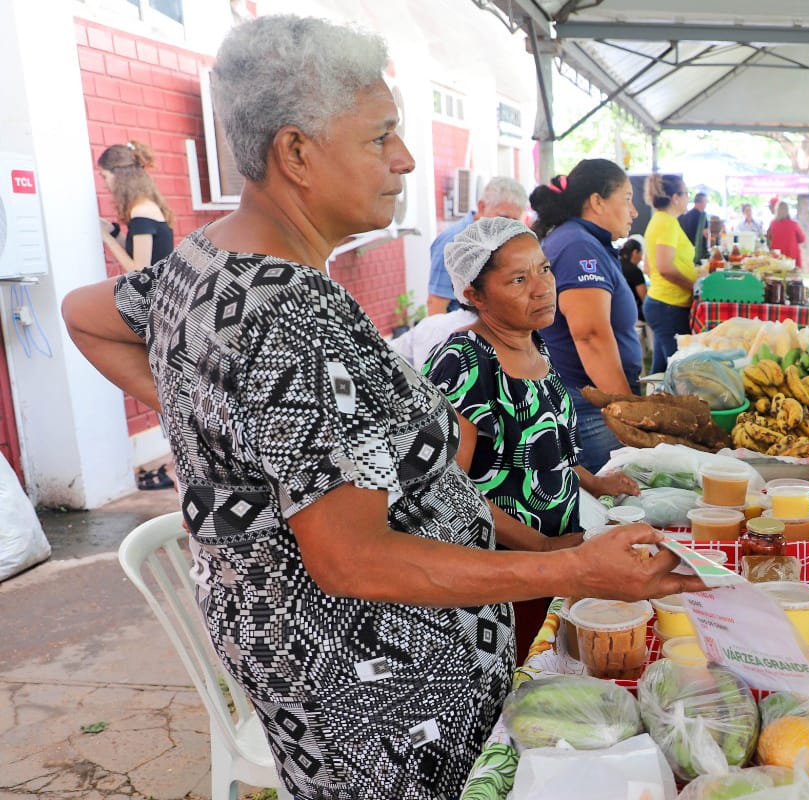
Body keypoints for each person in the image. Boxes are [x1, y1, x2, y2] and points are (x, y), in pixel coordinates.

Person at [59, 16, 702, 799]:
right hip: (381, 701)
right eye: (379, 138)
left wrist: (234, 425)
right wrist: (571, 565)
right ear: (295, 152)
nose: (404, 159)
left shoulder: (209, 260)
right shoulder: (287, 311)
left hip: (334, 669)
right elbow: (351, 558)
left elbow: (86, 311)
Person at [429, 216, 641, 655]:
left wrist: (593, 481)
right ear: (473, 295)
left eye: (544, 269)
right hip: (505, 577)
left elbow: (541, 446)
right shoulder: (463, 362)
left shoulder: (532, 343)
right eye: (519, 279)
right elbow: (447, 493)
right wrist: (544, 548)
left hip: (557, 562)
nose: (543, 287)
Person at [530, 160, 645, 475]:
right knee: (612, 504)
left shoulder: (584, 241)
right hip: (589, 407)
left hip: (592, 403)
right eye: (626, 198)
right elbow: (590, 335)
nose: (633, 211)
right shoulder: (578, 246)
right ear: (597, 202)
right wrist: (626, 409)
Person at [426, 175, 526, 314]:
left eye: (514, 221)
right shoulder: (454, 242)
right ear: (482, 207)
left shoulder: (499, 238)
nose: (506, 226)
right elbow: (436, 304)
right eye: (503, 217)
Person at [643, 173, 697, 372]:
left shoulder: (658, 220)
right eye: (686, 193)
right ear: (675, 197)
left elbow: (649, 267)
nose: (687, 198)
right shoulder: (668, 223)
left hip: (661, 303)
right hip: (669, 306)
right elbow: (664, 267)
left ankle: (650, 401)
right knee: (680, 369)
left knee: (660, 370)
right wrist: (694, 285)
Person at [96, 141, 175, 272]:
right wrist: (112, 231)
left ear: (120, 176)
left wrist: (107, 238)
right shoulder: (145, 207)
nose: (105, 183)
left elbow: (138, 272)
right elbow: (138, 249)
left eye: (105, 177)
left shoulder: (141, 212)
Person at [767, 201, 806, 267]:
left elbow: (768, 237)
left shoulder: (773, 224)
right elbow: (802, 239)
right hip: (791, 255)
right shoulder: (794, 224)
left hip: (777, 256)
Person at [617, 237, 649, 316]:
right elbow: (644, 298)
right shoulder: (635, 271)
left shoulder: (616, 265)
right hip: (632, 312)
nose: (641, 259)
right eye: (641, 254)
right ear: (635, 252)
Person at [679, 190, 709, 261]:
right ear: (701, 202)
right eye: (706, 201)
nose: (706, 204)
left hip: (685, 252)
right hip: (699, 254)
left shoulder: (686, 216)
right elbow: (706, 234)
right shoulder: (702, 217)